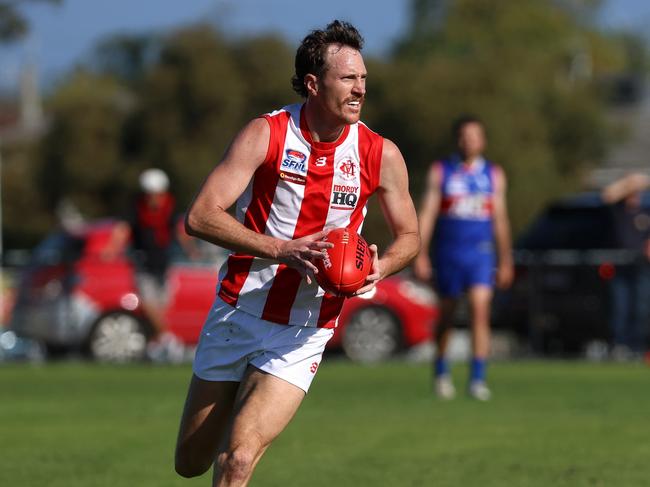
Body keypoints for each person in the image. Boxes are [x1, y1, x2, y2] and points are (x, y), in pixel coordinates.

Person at [174, 20, 419, 487]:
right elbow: (201, 215)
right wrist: (281, 249)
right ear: (313, 83)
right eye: (348, 79)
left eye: (363, 78)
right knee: (191, 462)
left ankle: (243, 432)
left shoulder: (379, 153)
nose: (360, 88)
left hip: (304, 331)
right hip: (238, 312)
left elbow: (410, 236)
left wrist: (379, 268)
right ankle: (235, 418)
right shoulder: (266, 134)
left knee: (239, 459)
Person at [413, 115, 513, 401]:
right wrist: (420, 254)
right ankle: (442, 371)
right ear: (457, 139)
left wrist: (506, 259)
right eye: (464, 136)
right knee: (447, 314)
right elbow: (428, 214)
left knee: (480, 311)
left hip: (480, 254)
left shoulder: (493, 174)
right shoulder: (441, 171)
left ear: (482, 141)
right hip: (448, 254)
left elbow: (500, 219)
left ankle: (477, 378)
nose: (469, 141)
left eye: (474, 136)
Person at [601, 172, 650, 360]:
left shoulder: (645, 212)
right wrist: (629, 183)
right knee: (620, 307)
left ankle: (637, 345)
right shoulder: (619, 210)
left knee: (641, 307)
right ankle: (621, 345)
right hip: (620, 265)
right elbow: (607, 195)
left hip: (641, 266)